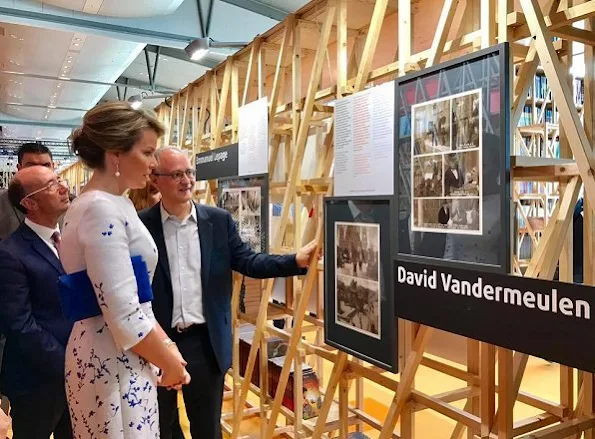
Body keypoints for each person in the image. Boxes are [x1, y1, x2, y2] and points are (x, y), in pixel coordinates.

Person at [139, 147, 318, 439]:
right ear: (155, 180)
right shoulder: (141, 225)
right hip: (157, 343)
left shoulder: (217, 221)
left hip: (205, 344)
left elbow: (249, 261)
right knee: (160, 428)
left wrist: (294, 260)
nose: (186, 181)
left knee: (207, 430)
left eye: (189, 173)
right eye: (176, 174)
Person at [59, 102, 190, 439]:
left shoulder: (116, 202)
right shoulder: (100, 208)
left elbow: (135, 301)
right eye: (147, 152)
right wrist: (169, 360)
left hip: (122, 352)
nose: (154, 162)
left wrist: (165, 347)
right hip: (111, 358)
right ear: (115, 154)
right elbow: (122, 314)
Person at [0, 165, 72, 439]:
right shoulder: (10, 253)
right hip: (36, 381)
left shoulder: (69, 241)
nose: (64, 188)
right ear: (29, 203)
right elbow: (19, 325)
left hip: (78, 375)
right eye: (52, 186)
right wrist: (68, 360)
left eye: (59, 180)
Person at [0, 142, 55, 241]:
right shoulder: (2, 202)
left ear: (53, 167)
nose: (40, 171)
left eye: (46, 165)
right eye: (31, 166)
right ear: (19, 168)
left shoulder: (68, 203)